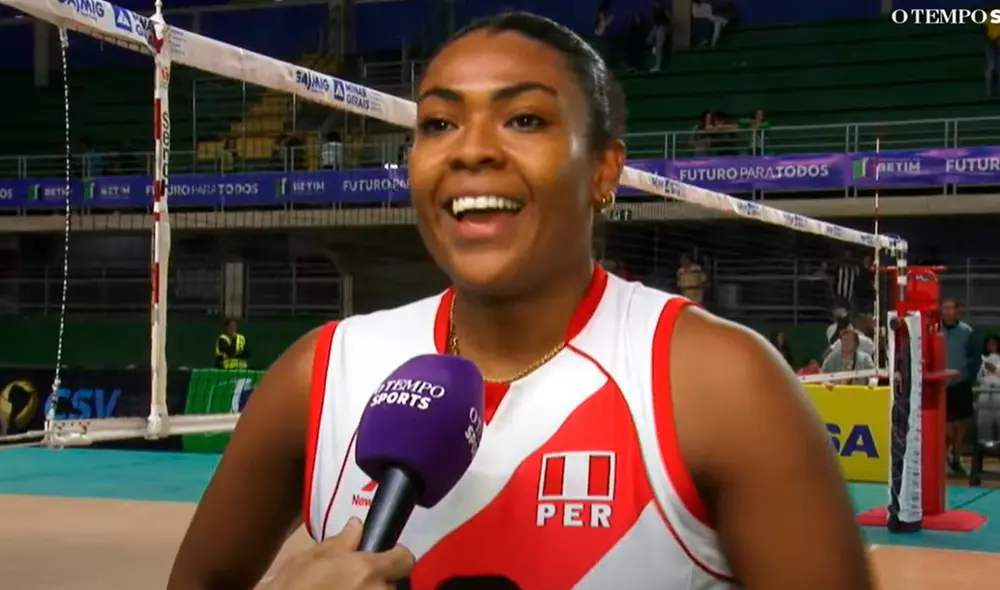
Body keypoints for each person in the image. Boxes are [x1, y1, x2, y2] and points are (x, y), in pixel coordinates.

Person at [169, 12, 870, 590]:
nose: (470, 151)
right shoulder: (320, 375)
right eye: (439, 124)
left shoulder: (723, 385)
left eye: (525, 120)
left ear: (604, 172)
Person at [941, 298, 980, 476]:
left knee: (961, 426)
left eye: (951, 308)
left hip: (961, 385)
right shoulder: (933, 330)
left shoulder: (967, 332)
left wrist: (967, 377)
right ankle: (944, 460)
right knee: (944, 427)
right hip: (941, 385)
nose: (948, 312)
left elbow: (975, 359)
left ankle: (957, 458)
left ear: (958, 311)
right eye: (945, 308)